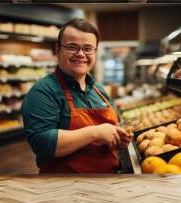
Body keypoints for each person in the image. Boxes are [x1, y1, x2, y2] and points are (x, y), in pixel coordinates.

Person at [21, 18, 132, 173]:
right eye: (72, 47)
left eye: (88, 48)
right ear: (57, 50)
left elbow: (110, 131)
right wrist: (96, 132)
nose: (80, 54)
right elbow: (43, 143)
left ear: (95, 52)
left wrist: (117, 138)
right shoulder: (42, 91)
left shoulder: (98, 89)